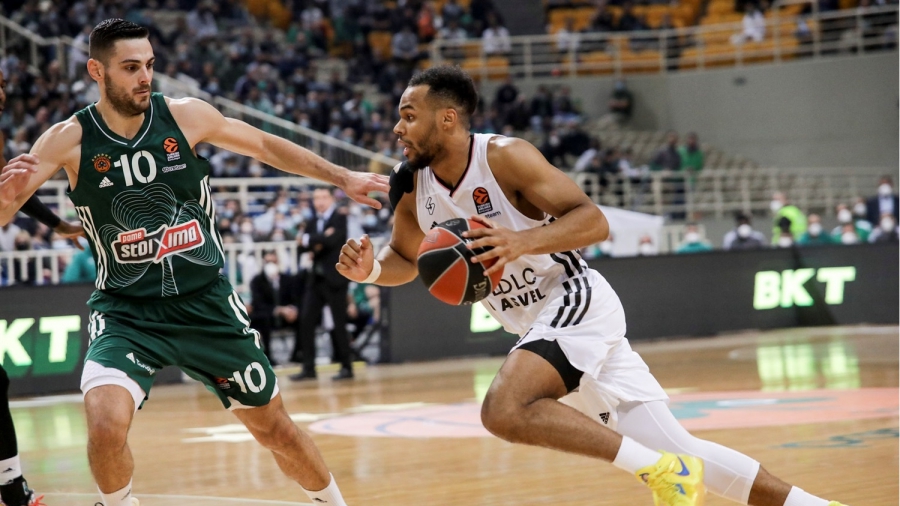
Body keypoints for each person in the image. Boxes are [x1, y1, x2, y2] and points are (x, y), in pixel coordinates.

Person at [336, 65, 848, 506]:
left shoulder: (504, 157)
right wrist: (373, 271)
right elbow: (407, 258)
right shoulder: (411, 185)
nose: (397, 128)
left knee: (504, 409)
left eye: (409, 115)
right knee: (684, 450)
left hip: (573, 298)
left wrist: (521, 241)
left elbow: (593, 221)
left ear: (447, 118)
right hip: (536, 328)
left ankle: (660, 471)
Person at [0, 19, 388, 506]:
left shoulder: (185, 116)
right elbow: (6, 211)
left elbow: (265, 145)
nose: (145, 77)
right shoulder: (68, 138)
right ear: (96, 71)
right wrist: (5, 198)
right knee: (104, 424)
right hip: (126, 312)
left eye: (149, 65)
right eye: (130, 68)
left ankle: (334, 502)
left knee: (277, 431)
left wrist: (342, 177)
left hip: (207, 305)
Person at [290, 187, 354, 381]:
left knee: (339, 323)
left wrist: (311, 241)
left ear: (331, 199)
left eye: (324, 197)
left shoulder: (339, 218)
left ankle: (347, 367)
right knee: (306, 321)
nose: (320, 201)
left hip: (335, 279)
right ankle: (309, 368)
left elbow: (333, 241)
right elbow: (301, 247)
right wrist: (318, 240)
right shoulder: (311, 221)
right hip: (315, 279)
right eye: (316, 197)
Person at [249, 251, 302, 367]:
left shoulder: (287, 279)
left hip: (286, 318)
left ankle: (297, 355)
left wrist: (292, 310)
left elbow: (296, 299)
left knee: (303, 318)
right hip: (268, 317)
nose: (271, 265)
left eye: (274, 261)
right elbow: (258, 304)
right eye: (268, 262)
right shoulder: (257, 281)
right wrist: (278, 310)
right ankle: (267, 356)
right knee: (262, 319)